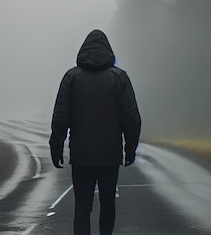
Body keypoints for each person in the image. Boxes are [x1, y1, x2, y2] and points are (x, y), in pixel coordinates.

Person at [50, 29, 142, 235]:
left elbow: (60, 117)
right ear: (108, 51)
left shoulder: (71, 78)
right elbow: (131, 117)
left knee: (82, 206)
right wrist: (130, 148)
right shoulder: (119, 78)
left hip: (81, 156)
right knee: (108, 202)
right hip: (110, 155)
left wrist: (56, 147)